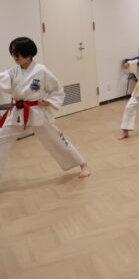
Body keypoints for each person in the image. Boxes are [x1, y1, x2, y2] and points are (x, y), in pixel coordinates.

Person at [0, 37, 90, 181]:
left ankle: (82, 164)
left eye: (19, 53)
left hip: (38, 112)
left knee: (56, 139)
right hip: (18, 112)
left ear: (29, 52)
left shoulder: (41, 70)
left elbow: (57, 90)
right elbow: (2, 79)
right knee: (1, 138)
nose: (15, 56)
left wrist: (48, 101)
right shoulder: (13, 71)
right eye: (13, 52)